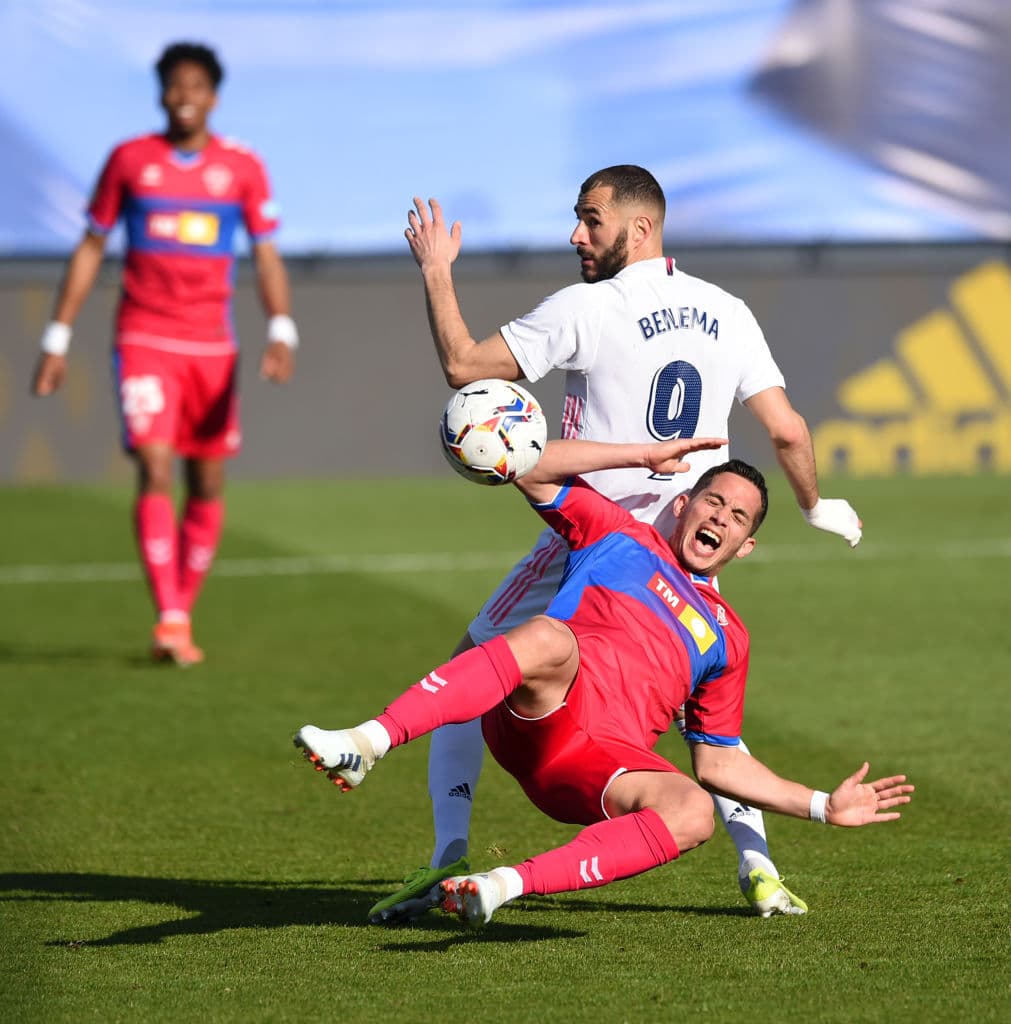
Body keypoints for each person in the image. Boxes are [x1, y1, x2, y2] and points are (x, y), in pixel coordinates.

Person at [381, 164, 863, 920]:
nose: (576, 234)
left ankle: (447, 857)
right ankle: (760, 869)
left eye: (591, 219)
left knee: (471, 665)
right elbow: (788, 430)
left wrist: (437, 271)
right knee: (710, 720)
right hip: (692, 546)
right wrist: (812, 504)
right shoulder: (729, 311)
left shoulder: (590, 307)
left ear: (638, 229)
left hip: (598, 534)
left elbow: (464, 367)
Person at [293, 437, 912, 929]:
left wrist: (822, 806)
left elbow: (719, 762)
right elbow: (532, 464)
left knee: (693, 811)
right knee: (549, 636)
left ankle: (503, 885)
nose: (720, 518)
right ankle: (366, 743)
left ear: (744, 547)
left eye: (737, 517)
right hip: (543, 713)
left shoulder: (729, 637)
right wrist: (639, 456)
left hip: (601, 769)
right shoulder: (619, 534)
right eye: (713, 502)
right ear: (683, 505)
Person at [30, 41, 298, 666]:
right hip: (144, 337)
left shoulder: (241, 167)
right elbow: (91, 245)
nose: (184, 97)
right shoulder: (129, 160)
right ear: (160, 93)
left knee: (206, 479)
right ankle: (171, 618)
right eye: (175, 85)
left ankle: (182, 609)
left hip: (212, 346)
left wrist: (281, 328)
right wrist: (56, 338)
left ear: (214, 97)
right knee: (154, 467)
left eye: (196, 86)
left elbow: (265, 253)